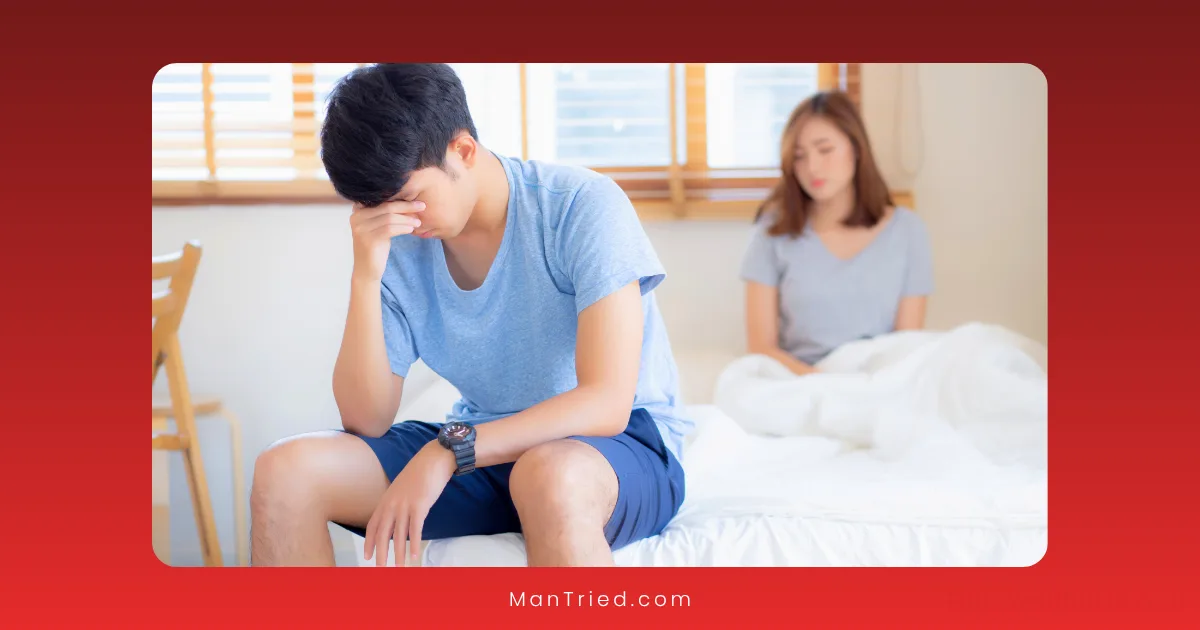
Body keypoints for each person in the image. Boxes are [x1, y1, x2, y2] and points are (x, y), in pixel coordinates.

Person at [248, 64, 690, 567]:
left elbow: (606, 403)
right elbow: (366, 419)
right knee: (285, 471)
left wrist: (447, 451)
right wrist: (365, 276)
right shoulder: (398, 241)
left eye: (412, 198)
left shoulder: (581, 206)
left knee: (547, 475)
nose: (404, 222)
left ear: (462, 151)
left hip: (613, 448)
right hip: (487, 450)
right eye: (379, 206)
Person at [740, 91, 934, 375]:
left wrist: (865, 392)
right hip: (799, 383)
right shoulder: (771, 233)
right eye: (799, 157)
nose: (812, 167)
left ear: (856, 148)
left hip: (882, 384)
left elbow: (906, 347)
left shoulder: (907, 231)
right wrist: (825, 385)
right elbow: (761, 349)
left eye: (825, 150)